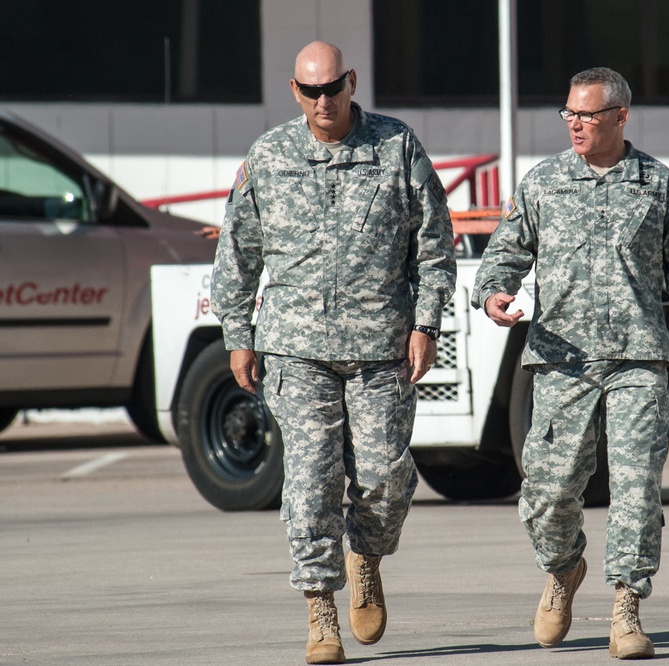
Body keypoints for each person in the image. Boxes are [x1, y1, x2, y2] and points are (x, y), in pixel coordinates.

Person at [211, 41, 456, 665]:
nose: (324, 101)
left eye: (332, 88)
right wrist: (238, 333)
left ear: (350, 83)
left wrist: (426, 324)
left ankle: (366, 556)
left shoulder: (396, 146)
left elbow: (434, 244)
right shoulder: (268, 156)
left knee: (386, 481)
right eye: (310, 90)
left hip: (381, 348)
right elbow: (237, 253)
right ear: (295, 91)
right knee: (311, 483)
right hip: (297, 350)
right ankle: (321, 607)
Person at [472, 67, 669, 660]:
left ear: (620, 117)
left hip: (639, 359)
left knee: (637, 488)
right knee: (549, 493)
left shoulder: (658, 186)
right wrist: (494, 294)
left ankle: (627, 607)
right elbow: (502, 255)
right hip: (563, 362)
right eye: (569, 114)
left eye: (587, 114)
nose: (575, 124)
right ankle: (562, 570)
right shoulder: (543, 183)